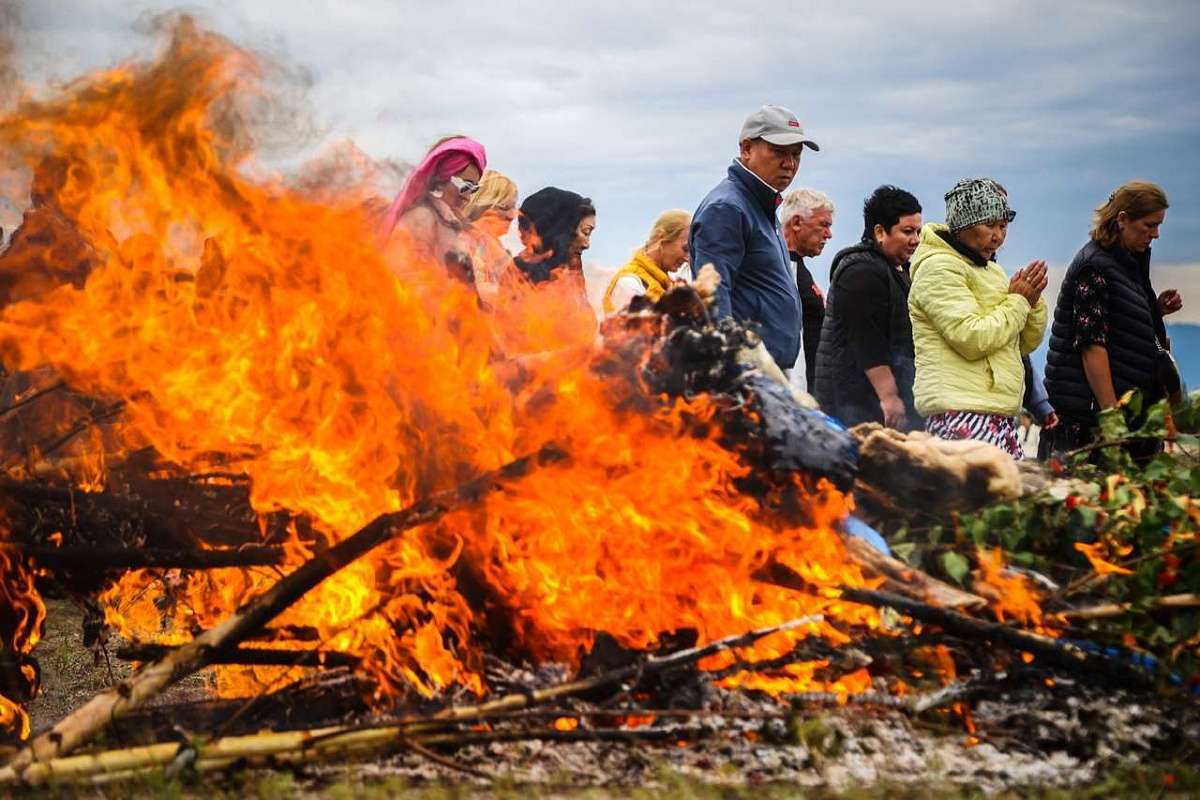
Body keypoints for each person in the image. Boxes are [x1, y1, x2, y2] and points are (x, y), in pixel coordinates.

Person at [908, 178, 1048, 459]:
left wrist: (1032, 302)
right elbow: (971, 337)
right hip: (961, 412)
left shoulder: (990, 270)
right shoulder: (938, 268)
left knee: (1007, 499)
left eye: (1003, 225)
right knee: (975, 500)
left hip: (998, 411)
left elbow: (1023, 344)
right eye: (990, 225)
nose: (998, 236)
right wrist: (1019, 300)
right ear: (963, 225)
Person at [1042, 181, 1180, 455]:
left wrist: (1154, 310)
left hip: (1127, 414)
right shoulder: (1094, 267)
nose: (1155, 234)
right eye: (1149, 225)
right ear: (1123, 219)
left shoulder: (1128, 264)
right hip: (1090, 419)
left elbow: (1117, 321)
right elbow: (1091, 344)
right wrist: (1110, 416)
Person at [689, 105, 817, 371]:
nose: (790, 164)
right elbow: (712, 298)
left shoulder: (760, 206)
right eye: (779, 152)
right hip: (747, 373)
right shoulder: (728, 208)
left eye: (796, 154)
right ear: (746, 149)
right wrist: (732, 371)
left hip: (768, 368)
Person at [813, 186, 923, 429]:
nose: (915, 240)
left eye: (918, 231)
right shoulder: (861, 271)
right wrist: (890, 397)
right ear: (880, 232)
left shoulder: (898, 270)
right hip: (855, 404)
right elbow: (866, 341)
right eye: (907, 231)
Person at [379, 136, 487, 287]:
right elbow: (400, 277)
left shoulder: (456, 225)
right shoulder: (421, 218)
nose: (468, 197)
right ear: (443, 179)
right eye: (465, 186)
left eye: (474, 189)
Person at [779, 188, 834, 391]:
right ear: (796, 223)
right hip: (796, 389)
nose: (829, 234)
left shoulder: (798, 268)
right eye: (823, 225)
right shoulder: (783, 269)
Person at [602, 210, 690, 315]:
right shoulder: (629, 283)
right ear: (660, 237)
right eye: (685, 248)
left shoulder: (669, 285)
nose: (687, 258)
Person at [513, 187, 596, 286]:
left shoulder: (571, 276)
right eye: (585, 232)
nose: (587, 245)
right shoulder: (516, 279)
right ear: (560, 230)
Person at [462, 169, 520, 303]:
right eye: (503, 207)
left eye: (514, 207)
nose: (513, 215)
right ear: (478, 205)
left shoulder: (493, 247)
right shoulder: (462, 244)